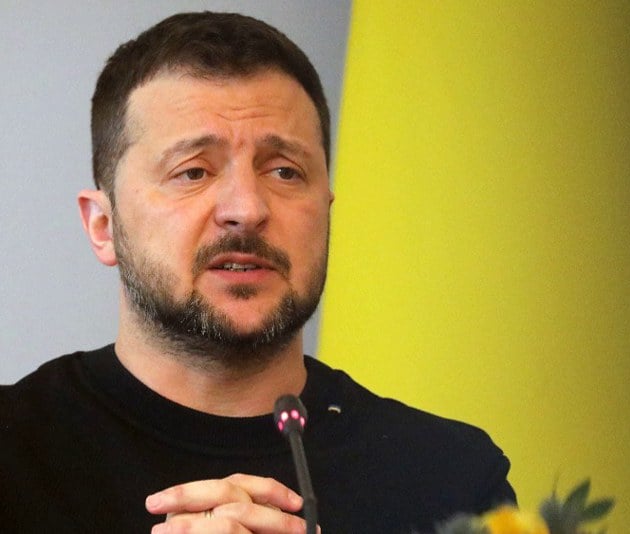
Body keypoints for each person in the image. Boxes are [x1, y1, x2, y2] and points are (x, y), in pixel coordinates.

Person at [0, 12, 514, 534]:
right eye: (193, 171)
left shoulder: (452, 482)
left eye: (284, 172)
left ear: (326, 210)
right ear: (103, 226)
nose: (246, 209)